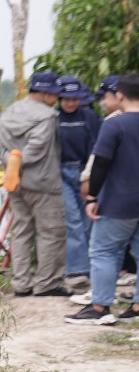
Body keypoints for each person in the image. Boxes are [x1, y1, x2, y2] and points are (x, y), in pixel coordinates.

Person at [0, 71, 68, 299]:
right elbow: (36, 150)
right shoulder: (47, 116)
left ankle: (21, 283)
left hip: (14, 183)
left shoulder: (11, 111)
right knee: (51, 232)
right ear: (44, 93)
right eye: (55, 94)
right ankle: (47, 283)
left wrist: (9, 161)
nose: (57, 99)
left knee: (21, 232)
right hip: (43, 183)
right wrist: (19, 158)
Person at [75, 74, 139, 325]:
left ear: (120, 95)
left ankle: (100, 307)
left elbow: (101, 162)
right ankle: (136, 307)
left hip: (118, 202)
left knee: (103, 251)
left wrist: (91, 196)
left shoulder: (115, 124)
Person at [55, 75, 102, 294]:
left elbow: (97, 149)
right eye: (65, 98)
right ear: (59, 98)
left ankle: (93, 268)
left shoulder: (89, 117)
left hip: (86, 171)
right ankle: (76, 271)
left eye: (74, 98)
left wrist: (89, 177)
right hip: (60, 173)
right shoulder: (52, 118)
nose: (70, 103)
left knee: (88, 221)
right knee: (72, 220)